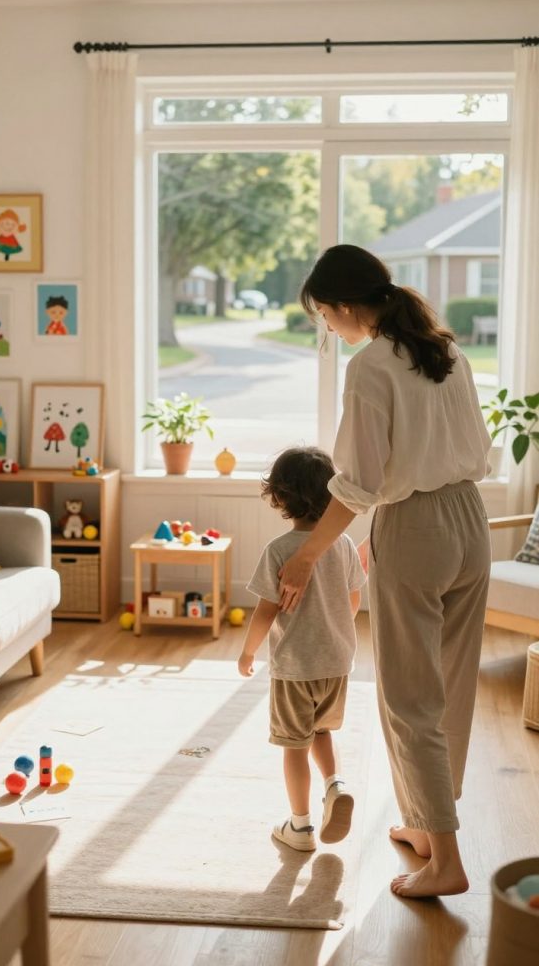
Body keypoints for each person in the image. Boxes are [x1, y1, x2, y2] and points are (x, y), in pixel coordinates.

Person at [278, 245, 491, 899]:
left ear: (345, 306)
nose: (327, 326)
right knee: (450, 686)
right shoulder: (445, 351)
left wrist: (306, 554)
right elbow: (475, 451)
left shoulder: (369, 365)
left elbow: (358, 484)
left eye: (324, 315)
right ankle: (426, 828)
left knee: (408, 699)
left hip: (415, 527)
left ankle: (445, 860)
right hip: (469, 520)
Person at [238, 446, 366, 852]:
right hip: (337, 662)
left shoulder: (279, 550)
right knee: (321, 731)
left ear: (279, 495)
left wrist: (248, 652)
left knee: (294, 745)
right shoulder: (343, 544)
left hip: (295, 668)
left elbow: (265, 612)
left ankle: (300, 826)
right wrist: (335, 628)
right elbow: (354, 600)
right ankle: (335, 784)